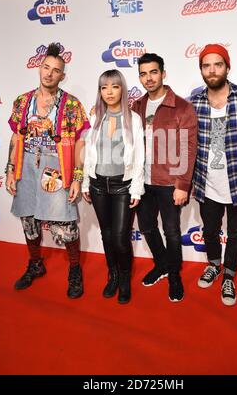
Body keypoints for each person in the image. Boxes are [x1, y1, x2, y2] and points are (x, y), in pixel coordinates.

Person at [5, 43, 90, 298]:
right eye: (46, 67)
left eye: (56, 70)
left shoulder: (72, 105)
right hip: (26, 167)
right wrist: (10, 169)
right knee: (28, 220)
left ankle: (75, 269)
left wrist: (77, 177)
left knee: (66, 225)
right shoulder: (22, 101)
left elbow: (80, 143)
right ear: (39, 68)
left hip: (57, 169)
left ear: (62, 75)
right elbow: (15, 138)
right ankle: (35, 264)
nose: (49, 74)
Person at [190, 44, 237, 306]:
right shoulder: (195, 102)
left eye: (217, 64)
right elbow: (188, 145)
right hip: (206, 183)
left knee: (235, 234)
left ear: (227, 66)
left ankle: (229, 277)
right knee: (210, 231)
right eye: (206, 65)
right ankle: (214, 264)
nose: (212, 71)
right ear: (201, 69)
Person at [132, 53, 198, 302]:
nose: (148, 78)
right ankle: (161, 264)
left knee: (171, 231)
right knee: (147, 227)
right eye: (143, 73)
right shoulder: (136, 107)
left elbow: (189, 149)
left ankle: (174, 275)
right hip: (141, 182)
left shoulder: (181, 107)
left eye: (153, 72)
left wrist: (182, 185)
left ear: (163, 73)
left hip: (169, 183)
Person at [82, 69, 144, 304]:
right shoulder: (96, 117)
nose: (109, 92)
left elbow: (139, 156)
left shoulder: (134, 119)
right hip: (98, 185)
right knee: (106, 234)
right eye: (104, 87)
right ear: (100, 91)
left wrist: (136, 188)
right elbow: (89, 153)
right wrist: (87, 182)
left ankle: (125, 278)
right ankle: (113, 274)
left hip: (122, 186)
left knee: (120, 237)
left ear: (122, 89)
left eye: (114, 86)